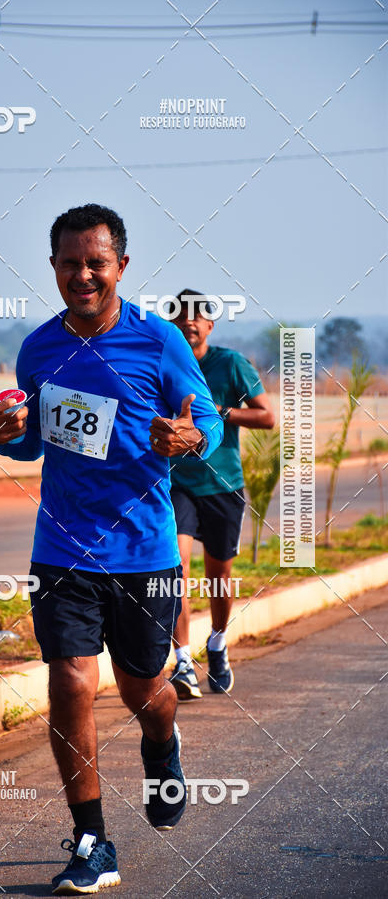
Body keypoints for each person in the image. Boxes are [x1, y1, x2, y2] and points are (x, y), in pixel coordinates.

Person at [0, 206, 222, 895]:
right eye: (68, 263)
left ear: (120, 267)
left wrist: (191, 438)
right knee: (72, 682)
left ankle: (162, 749)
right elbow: (31, 442)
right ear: (53, 268)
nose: (82, 275)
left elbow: (209, 420)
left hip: (144, 552)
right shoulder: (38, 349)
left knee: (147, 692)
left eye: (95, 263)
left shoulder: (160, 341)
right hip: (63, 550)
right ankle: (91, 840)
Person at [167, 290, 275, 702]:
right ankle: (181, 660)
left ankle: (216, 642)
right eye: (180, 318)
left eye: (197, 317)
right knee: (174, 572)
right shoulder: (165, 363)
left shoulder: (230, 364)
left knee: (219, 577)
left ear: (210, 325)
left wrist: (222, 412)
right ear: (172, 326)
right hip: (176, 484)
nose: (189, 323)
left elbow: (266, 416)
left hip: (224, 486)